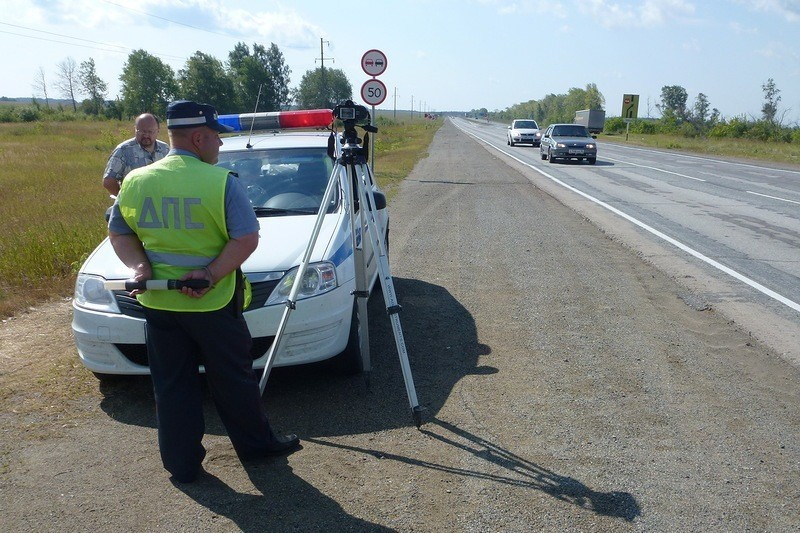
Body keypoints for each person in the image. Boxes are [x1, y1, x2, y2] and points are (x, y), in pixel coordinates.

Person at [107, 100, 300, 483]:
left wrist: (139, 267)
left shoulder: (137, 181)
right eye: (216, 138)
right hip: (212, 304)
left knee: (172, 385)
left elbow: (120, 233)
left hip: (160, 305)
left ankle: (182, 465)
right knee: (233, 380)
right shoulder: (220, 182)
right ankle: (257, 448)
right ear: (199, 137)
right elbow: (246, 238)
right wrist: (210, 273)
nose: (219, 146)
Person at [102, 113, 170, 196]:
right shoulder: (123, 150)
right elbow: (109, 181)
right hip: (134, 206)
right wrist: (124, 198)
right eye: (141, 131)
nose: (146, 135)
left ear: (158, 131)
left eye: (150, 131)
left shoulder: (165, 149)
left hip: (160, 204)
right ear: (135, 129)